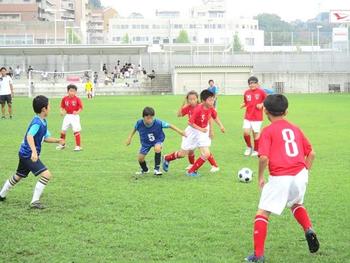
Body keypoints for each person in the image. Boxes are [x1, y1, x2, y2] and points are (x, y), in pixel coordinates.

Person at [245, 94, 319, 262]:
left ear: (265, 111)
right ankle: (308, 229)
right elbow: (312, 153)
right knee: (296, 204)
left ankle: (258, 255)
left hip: (280, 176)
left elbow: (263, 158)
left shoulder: (267, 131)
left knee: (263, 212)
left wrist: (260, 177)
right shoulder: (295, 128)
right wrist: (305, 170)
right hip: (300, 174)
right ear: (286, 111)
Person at [0, 95, 64, 209]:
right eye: (49, 105)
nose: (50, 107)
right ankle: (35, 201)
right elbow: (30, 136)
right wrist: (34, 152)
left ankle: (1, 195)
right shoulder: (37, 123)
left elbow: (45, 137)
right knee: (47, 175)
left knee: (18, 176)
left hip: (24, 153)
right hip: (28, 154)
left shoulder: (42, 121)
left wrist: (57, 140)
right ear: (44, 109)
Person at [165, 90, 224, 177]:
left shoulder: (210, 107)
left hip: (202, 131)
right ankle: (167, 158)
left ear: (198, 99)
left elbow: (213, 117)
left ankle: (193, 170)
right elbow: (189, 122)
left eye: (213, 100)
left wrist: (220, 126)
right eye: (190, 99)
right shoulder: (197, 109)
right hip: (192, 131)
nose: (212, 102)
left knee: (206, 153)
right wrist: (183, 103)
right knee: (183, 154)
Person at [126, 107, 185, 176]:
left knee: (157, 148)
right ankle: (145, 169)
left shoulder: (158, 122)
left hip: (157, 140)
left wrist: (180, 131)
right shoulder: (139, 123)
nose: (150, 120)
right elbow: (135, 129)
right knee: (140, 159)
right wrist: (129, 138)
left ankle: (157, 169)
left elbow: (170, 125)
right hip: (145, 143)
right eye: (148, 118)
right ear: (143, 117)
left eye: (151, 118)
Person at [241, 76, 267, 157]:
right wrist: (243, 104)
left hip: (257, 117)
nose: (252, 85)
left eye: (254, 83)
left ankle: (256, 150)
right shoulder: (246, 92)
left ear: (257, 83)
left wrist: (262, 104)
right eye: (250, 83)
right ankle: (249, 147)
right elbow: (246, 102)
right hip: (248, 116)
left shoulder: (261, 92)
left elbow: (266, 100)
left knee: (256, 134)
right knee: (246, 132)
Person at [56, 84, 83, 151]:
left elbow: (81, 108)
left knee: (76, 131)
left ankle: (78, 146)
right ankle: (62, 144)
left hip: (75, 117)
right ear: (68, 91)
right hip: (67, 116)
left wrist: (77, 112)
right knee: (63, 131)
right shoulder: (65, 99)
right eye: (71, 91)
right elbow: (62, 106)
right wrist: (61, 112)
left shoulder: (77, 99)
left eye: (73, 91)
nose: (72, 92)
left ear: (75, 92)